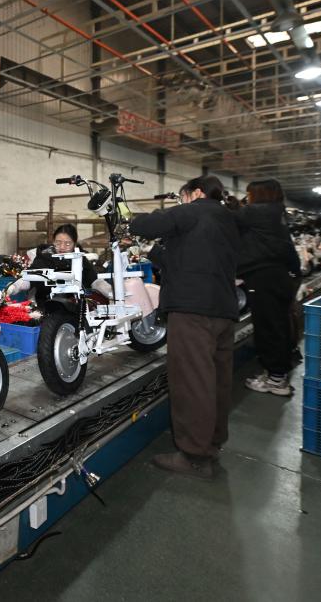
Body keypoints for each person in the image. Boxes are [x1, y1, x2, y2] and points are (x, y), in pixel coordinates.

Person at [129, 175, 239, 480]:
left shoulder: (195, 210)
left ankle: (194, 456)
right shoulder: (228, 219)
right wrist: (152, 252)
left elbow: (146, 224)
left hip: (193, 312)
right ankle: (212, 442)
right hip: (223, 310)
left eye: (183, 197)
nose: (182, 203)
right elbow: (189, 260)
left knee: (192, 382)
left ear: (197, 193)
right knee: (216, 381)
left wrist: (128, 219)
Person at [234, 179, 301, 397]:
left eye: (249, 194)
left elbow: (224, 220)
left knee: (268, 328)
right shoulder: (277, 213)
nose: (247, 198)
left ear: (258, 194)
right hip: (280, 276)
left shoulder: (254, 211)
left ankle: (276, 380)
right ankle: (277, 372)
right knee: (279, 324)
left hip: (264, 278)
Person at [7, 224, 98, 304]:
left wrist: (105, 289)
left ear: (74, 244)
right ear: (53, 241)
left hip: (78, 306)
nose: (62, 247)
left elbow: (93, 280)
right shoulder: (45, 257)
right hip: (48, 305)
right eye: (58, 243)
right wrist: (15, 287)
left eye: (67, 244)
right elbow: (29, 278)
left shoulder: (79, 258)